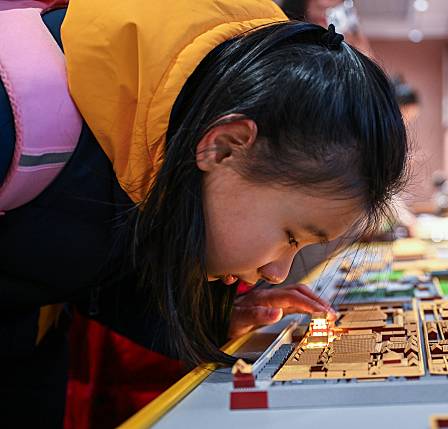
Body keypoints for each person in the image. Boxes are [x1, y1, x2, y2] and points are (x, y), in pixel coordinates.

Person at [0, 0, 408, 425]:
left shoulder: (155, 143)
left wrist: (212, 318)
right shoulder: (14, 112)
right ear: (225, 146)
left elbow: (91, 266)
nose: (277, 273)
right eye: (290, 235)